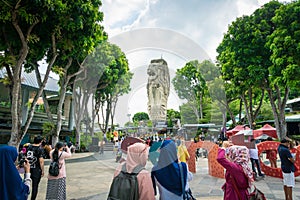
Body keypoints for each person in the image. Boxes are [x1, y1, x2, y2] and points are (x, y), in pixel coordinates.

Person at [26, 136, 45, 200]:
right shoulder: (40, 149)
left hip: (28, 168)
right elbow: (41, 161)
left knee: (26, 183)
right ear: (41, 141)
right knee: (35, 186)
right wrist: (42, 170)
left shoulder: (29, 147)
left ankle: (25, 197)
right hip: (36, 169)